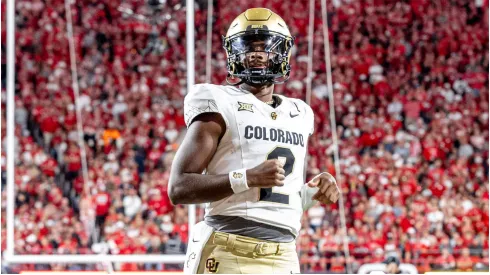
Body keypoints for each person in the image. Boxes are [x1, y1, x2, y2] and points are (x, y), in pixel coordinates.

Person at [168, 8, 340, 274]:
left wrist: (312, 192)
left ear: (283, 53)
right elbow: (179, 187)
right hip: (228, 248)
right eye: (249, 47)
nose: (257, 54)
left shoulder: (300, 113)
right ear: (235, 54)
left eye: (266, 46)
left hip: (284, 255)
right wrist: (246, 178)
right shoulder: (218, 101)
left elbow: (272, 199)